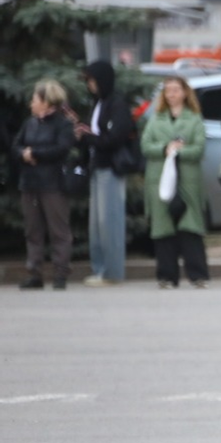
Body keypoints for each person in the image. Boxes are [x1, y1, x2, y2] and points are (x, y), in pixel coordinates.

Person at [141, 77, 209, 288]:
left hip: (187, 180)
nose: (171, 94)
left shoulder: (194, 119)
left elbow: (199, 149)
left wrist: (180, 151)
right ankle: (166, 276)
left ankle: (197, 275)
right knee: (163, 229)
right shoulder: (156, 119)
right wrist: (164, 148)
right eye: (168, 90)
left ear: (185, 93)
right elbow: (145, 146)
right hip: (159, 180)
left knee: (190, 228)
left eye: (176, 90)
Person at [75, 60, 135, 286]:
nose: (89, 85)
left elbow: (115, 137)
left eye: (91, 80)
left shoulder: (117, 105)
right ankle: (100, 269)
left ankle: (112, 272)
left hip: (111, 167)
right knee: (97, 224)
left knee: (110, 221)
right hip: (96, 166)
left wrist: (89, 137)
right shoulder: (98, 103)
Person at [12, 79, 76, 290]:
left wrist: (35, 153)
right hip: (29, 183)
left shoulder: (63, 124)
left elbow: (61, 149)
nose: (31, 103)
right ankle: (34, 273)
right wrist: (23, 154)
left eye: (35, 99)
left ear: (46, 102)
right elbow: (16, 145)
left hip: (53, 184)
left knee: (58, 231)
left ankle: (60, 273)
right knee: (33, 230)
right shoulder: (29, 123)